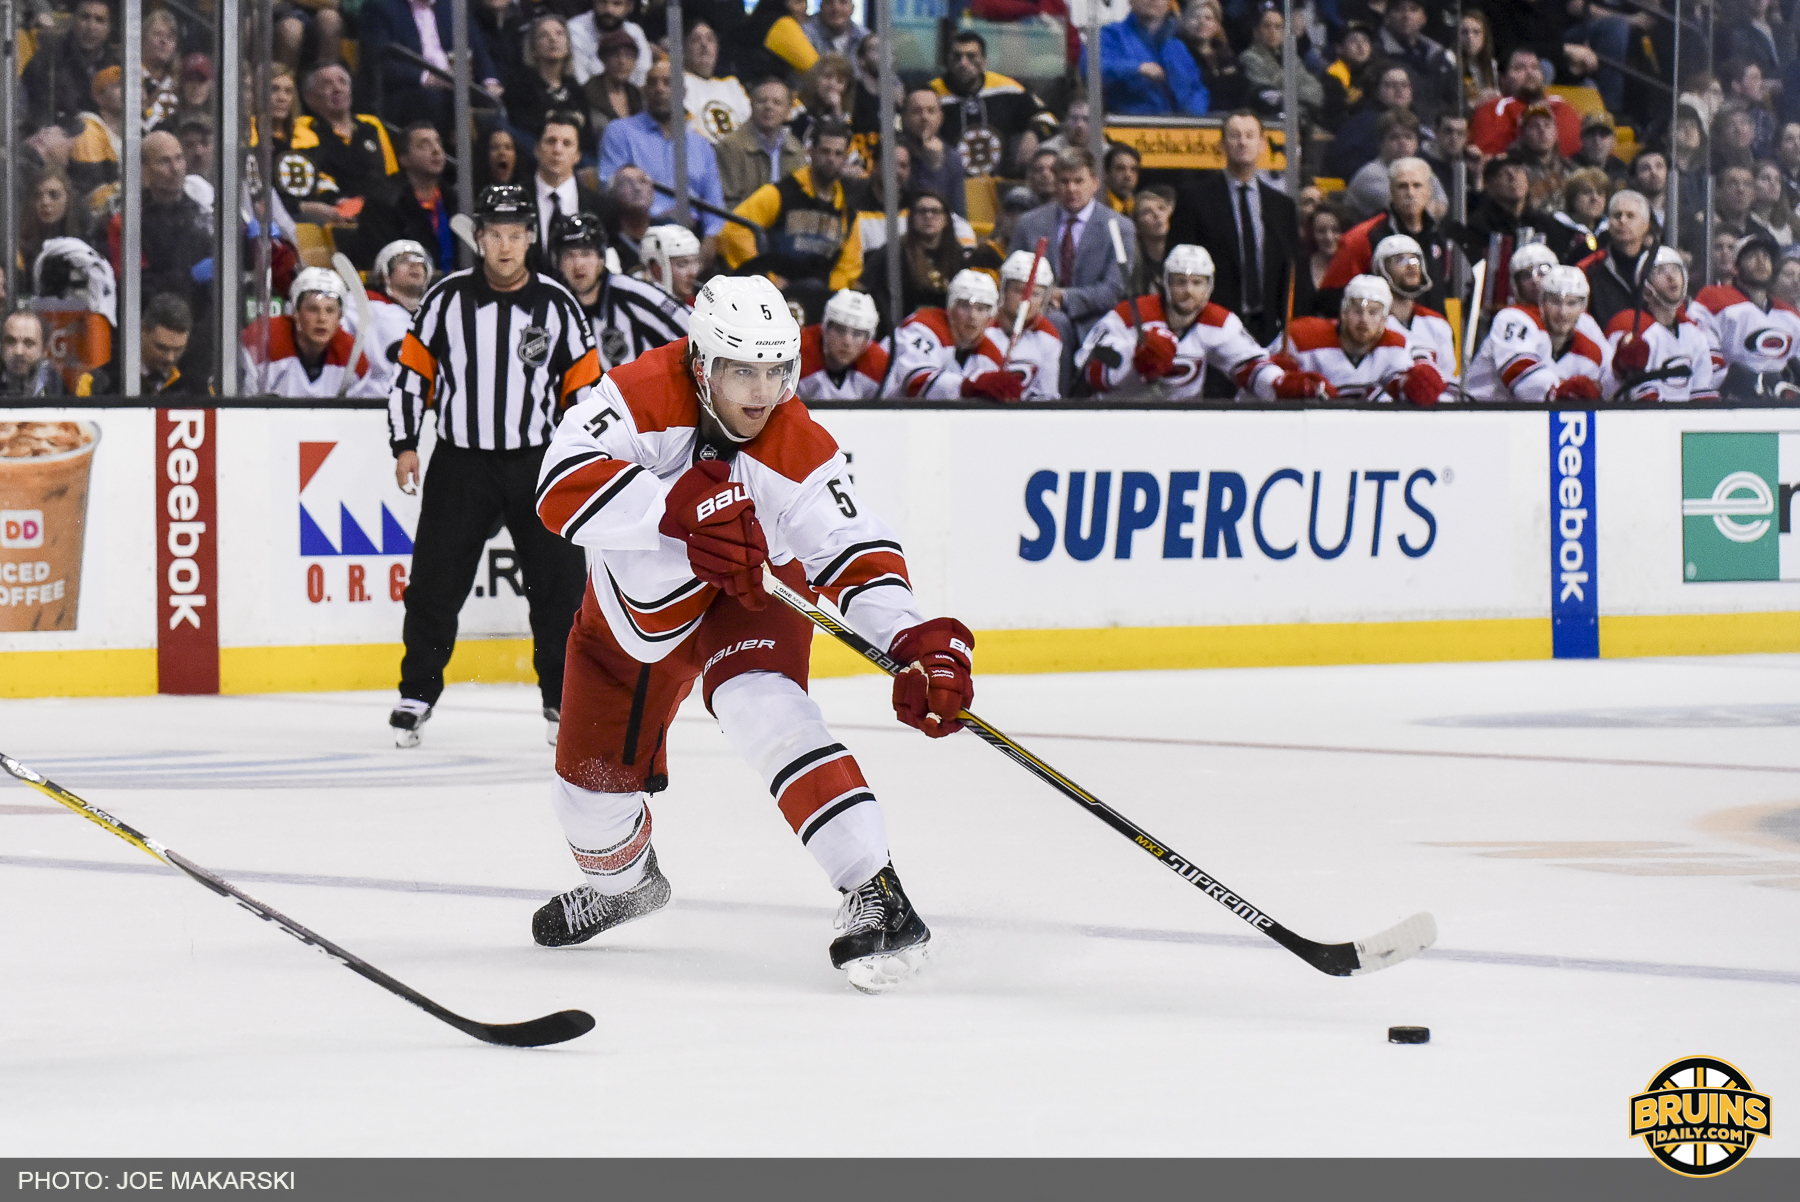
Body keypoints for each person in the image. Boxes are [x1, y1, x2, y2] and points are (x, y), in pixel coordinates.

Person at [528, 273, 965, 990]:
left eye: (777, 370)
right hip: (628, 613)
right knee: (587, 797)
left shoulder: (795, 441)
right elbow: (557, 485)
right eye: (742, 371)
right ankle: (624, 887)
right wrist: (672, 507)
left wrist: (916, 642)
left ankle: (876, 894)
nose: (762, 392)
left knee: (763, 706)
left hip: (748, 592)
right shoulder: (639, 394)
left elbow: (853, 549)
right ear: (701, 363)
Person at [387, 185, 599, 749]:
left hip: (536, 462)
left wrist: (584, 459)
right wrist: (405, 442)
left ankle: (561, 701)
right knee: (435, 582)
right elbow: (412, 375)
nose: (504, 248)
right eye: (494, 236)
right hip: (461, 462)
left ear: (529, 238)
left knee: (559, 588)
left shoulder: (557, 304)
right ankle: (416, 694)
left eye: (515, 235)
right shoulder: (445, 300)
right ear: (478, 238)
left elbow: (586, 390)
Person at [1076, 243, 1296, 400]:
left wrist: (1279, 382)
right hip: (1120, 418)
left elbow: (1250, 366)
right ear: (1166, 283)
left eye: (1197, 283)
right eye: (1180, 282)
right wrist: (1132, 357)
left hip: (1182, 424)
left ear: (1209, 287)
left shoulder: (1220, 322)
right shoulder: (1130, 314)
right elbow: (1087, 367)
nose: (1188, 291)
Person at [1009, 147, 1135, 387]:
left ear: (1095, 183)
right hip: (1039, 318)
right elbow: (1014, 279)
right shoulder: (1029, 224)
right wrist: (1042, 299)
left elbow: (1114, 289)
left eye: (1079, 181)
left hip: (1098, 322)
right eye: (1064, 181)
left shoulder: (1120, 227)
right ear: (1055, 183)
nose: (1071, 189)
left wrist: (1063, 297)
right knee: (1055, 323)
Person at [722, 120, 862, 319]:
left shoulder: (847, 210)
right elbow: (735, 229)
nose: (831, 159)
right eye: (825, 151)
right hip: (771, 298)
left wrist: (830, 299)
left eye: (838, 154)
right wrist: (765, 279)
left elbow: (849, 266)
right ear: (810, 152)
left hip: (818, 305)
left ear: (846, 158)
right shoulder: (781, 193)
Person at [1181, 111, 1297, 345]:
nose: (1242, 142)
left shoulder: (1281, 206)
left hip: (1266, 329)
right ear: (1222, 144)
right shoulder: (1195, 199)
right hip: (1211, 325)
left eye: (1250, 136)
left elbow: (1290, 270)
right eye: (1234, 136)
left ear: (1263, 144)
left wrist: (1288, 329)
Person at [598, 57, 728, 249]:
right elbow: (609, 189)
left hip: (693, 235)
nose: (659, 89)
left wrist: (709, 243)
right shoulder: (620, 132)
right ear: (644, 91)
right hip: (641, 231)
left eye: (668, 83)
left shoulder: (701, 145)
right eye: (653, 83)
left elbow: (714, 207)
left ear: (683, 93)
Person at [1317, 157, 1455, 318]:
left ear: (1428, 191)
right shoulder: (1363, 236)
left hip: (1429, 334)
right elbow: (1331, 297)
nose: (1410, 193)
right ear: (1391, 191)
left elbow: (1438, 292)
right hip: (1382, 336)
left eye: (1417, 185)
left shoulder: (1436, 235)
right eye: (1402, 186)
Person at [553, 212, 689, 371]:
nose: (578, 264)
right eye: (569, 256)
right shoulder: (558, 308)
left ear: (601, 258)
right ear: (559, 263)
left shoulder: (633, 294)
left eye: (586, 254)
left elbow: (692, 330)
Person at [1284, 275, 1441, 403]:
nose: (1364, 319)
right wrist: (1293, 385)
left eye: (1373, 312)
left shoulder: (1396, 346)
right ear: (1343, 313)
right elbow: (1268, 377)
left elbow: (1410, 387)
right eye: (1356, 311)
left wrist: (1416, 383)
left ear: (1385, 320)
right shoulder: (1303, 337)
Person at [1465, 264, 1608, 401]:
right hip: (1478, 415)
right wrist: (1558, 391)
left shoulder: (1590, 352)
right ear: (1542, 303)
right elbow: (1518, 372)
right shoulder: (1514, 319)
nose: (1563, 313)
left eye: (1571, 303)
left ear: (1583, 308)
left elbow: (1608, 390)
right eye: (1555, 302)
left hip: (1531, 420)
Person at [930, 31, 1057, 178]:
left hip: (1000, 184)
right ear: (948, 61)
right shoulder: (931, 93)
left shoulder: (1008, 90)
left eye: (971, 57)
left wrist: (1034, 133)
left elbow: (1050, 117)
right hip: (948, 185)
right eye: (957, 56)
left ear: (984, 61)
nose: (963, 63)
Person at [283, 65, 400, 221]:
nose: (337, 89)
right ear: (310, 98)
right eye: (327, 84)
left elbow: (391, 176)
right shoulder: (304, 127)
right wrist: (340, 202)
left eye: (343, 82)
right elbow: (314, 178)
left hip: (380, 210)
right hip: (339, 213)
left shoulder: (371, 125)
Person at [1603, 247, 1720, 402]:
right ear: (1645, 287)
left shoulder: (1694, 333)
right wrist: (1619, 367)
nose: (1671, 277)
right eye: (1660, 272)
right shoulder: (1627, 326)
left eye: (1675, 270)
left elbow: (1702, 390)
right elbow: (1606, 391)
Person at [242, 267, 379, 397]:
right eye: (313, 309)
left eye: (330, 310)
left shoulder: (352, 358)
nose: (322, 318)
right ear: (296, 312)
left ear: (340, 317)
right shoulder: (264, 340)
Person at [1690, 234, 1800, 397]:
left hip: (1782, 405)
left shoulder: (1791, 315)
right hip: (1732, 404)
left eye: (1766, 256)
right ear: (1735, 267)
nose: (1761, 261)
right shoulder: (1713, 300)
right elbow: (1704, 361)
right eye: (1752, 256)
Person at [891, 269, 1026, 401]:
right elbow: (916, 385)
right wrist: (969, 385)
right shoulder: (923, 327)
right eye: (964, 306)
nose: (972, 316)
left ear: (991, 318)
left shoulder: (990, 355)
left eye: (981, 309)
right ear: (950, 308)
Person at [1459, 155, 1561, 313]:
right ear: (1490, 186)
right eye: (1503, 174)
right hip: (1493, 307)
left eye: (1518, 171)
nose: (1513, 178)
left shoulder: (1545, 223)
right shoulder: (1479, 224)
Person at [861, 188, 971, 329]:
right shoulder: (893, 251)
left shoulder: (956, 255)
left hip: (945, 332)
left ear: (946, 219)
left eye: (935, 211)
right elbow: (862, 287)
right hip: (899, 331)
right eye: (922, 211)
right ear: (912, 217)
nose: (928, 216)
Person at [357, 123, 460, 274]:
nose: (436, 150)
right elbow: (382, 261)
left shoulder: (454, 200)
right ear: (404, 159)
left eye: (438, 143)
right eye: (424, 145)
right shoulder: (383, 203)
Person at [1091, 0, 1209, 117]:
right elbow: (1091, 68)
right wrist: (1137, 69)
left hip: (1177, 129)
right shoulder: (1111, 35)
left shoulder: (1178, 46)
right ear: (1130, 1)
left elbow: (1196, 89)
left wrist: (1195, 115)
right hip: (1126, 127)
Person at [1372, 234, 1456, 393]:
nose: (1410, 266)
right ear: (1381, 269)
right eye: (1400, 260)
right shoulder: (1370, 322)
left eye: (1414, 260)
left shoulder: (1438, 323)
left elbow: (1448, 381)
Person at [508, 15, 597, 157]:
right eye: (544, 35)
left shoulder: (577, 91)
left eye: (559, 33)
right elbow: (524, 137)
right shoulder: (520, 89)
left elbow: (587, 140)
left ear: (568, 45)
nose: (553, 39)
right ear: (533, 49)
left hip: (577, 164)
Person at [1469, 49, 1581, 160]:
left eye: (1535, 67)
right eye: (1519, 68)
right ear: (1502, 78)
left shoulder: (1562, 106)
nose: (1530, 73)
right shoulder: (1492, 109)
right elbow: (1487, 161)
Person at [23, 0, 115, 133]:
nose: (91, 26)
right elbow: (36, 110)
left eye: (99, 20)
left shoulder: (115, 65)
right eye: (85, 17)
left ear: (109, 28)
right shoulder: (50, 56)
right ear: (73, 21)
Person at [717, 77, 807, 209]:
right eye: (762, 101)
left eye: (777, 103)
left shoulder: (796, 150)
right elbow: (727, 203)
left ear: (788, 111)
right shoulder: (729, 147)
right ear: (751, 105)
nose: (769, 107)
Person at [1343, 111, 1449, 224]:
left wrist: (1426, 208)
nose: (1402, 143)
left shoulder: (1421, 170)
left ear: (1416, 144)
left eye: (1408, 137)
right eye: (1394, 138)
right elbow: (1404, 209)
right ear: (1381, 143)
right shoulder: (1370, 175)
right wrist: (1428, 206)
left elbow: (1442, 204)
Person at [985, 250, 1062, 399]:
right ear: (1004, 291)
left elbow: (1046, 396)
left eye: (1035, 294)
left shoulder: (1048, 336)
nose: (1026, 301)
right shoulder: (982, 328)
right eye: (1019, 291)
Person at [362, 239, 435, 396]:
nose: (415, 265)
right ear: (383, 274)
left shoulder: (438, 315)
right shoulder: (365, 304)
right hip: (375, 403)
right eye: (403, 260)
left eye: (420, 261)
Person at [1578, 190, 1658, 330]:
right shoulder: (1589, 269)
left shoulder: (1659, 266)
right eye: (1617, 215)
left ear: (1646, 225)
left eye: (1630, 216)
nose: (1622, 221)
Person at [532, 113, 606, 259]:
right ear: (536, 149)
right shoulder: (518, 200)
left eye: (567, 143)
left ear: (577, 155)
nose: (557, 150)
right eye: (551, 141)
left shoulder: (601, 208)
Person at [1376, 0, 1458, 130]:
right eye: (1399, 10)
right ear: (1387, 17)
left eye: (1413, 10)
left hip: (1440, 132)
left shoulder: (1439, 57)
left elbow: (1455, 101)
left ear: (1423, 18)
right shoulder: (1377, 55)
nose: (1406, 16)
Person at [796, 287, 888, 399]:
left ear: (868, 340)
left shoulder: (878, 365)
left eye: (858, 334)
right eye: (840, 329)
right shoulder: (798, 354)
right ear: (825, 329)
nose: (847, 342)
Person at [1241, 4, 1322, 125]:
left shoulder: (1292, 58)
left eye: (1278, 27)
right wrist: (1297, 95)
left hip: (1298, 120)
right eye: (1267, 26)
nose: (1272, 31)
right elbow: (1269, 97)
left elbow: (1316, 93)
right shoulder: (1249, 57)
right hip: (1267, 121)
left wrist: (1283, 94)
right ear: (1256, 31)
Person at [683, 20, 752, 145]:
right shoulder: (679, 81)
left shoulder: (732, 86)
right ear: (684, 50)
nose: (704, 44)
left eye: (710, 39)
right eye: (695, 40)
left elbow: (750, 127)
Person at [901, 88, 967, 218]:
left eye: (931, 111)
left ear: (940, 118)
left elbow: (958, 211)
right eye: (916, 112)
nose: (924, 117)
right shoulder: (895, 153)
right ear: (905, 118)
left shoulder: (953, 158)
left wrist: (934, 161)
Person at [569, 0, 652, 88]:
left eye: (616, 3)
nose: (608, 10)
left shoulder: (635, 32)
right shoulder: (575, 29)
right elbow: (580, 79)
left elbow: (643, 72)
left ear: (629, 7)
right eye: (603, 2)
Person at [1182, 0, 1245, 113]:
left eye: (1208, 18)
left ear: (1217, 25)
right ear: (1185, 21)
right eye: (1195, 17)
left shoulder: (1229, 58)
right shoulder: (1180, 54)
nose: (1202, 22)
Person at [587, 29, 645, 130]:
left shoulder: (637, 96)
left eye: (628, 55)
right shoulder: (587, 94)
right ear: (603, 59)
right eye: (615, 55)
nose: (622, 61)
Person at [1292, 202, 1342, 320]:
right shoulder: (1298, 268)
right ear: (1312, 234)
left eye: (1335, 230)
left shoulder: (1353, 268)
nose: (1329, 237)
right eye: (1321, 231)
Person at [1550, 169, 1609, 264]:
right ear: (1572, 198)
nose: (1595, 198)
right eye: (1586, 192)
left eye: (1600, 193)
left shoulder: (1610, 232)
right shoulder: (1554, 229)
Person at [1, 312, 67, 397]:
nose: (19, 351)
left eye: (29, 343)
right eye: (11, 341)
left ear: (44, 350)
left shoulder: (57, 390)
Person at [640, 225, 703, 305]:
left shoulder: (694, 302)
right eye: (682, 264)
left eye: (695, 261)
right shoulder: (640, 305)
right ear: (656, 269)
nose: (693, 272)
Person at [1131, 185, 1176, 295]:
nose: (1157, 214)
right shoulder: (1133, 263)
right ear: (1137, 226)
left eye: (1161, 208)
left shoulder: (1180, 255)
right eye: (1147, 212)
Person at [1103, 146, 1141, 216]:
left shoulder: (1140, 210)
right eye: (1120, 169)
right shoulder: (1097, 208)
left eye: (1133, 170)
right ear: (1107, 173)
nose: (1128, 175)